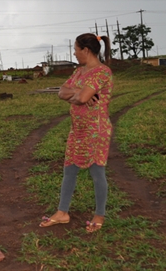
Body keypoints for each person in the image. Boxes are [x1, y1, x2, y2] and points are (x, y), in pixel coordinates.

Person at [39, 33, 113, 233]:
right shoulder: (79, 72)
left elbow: (82, 97)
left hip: (96, 130)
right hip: (78, 129)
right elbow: (62, 92)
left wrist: (78, 95)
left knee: (97, 172)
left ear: (86, 50)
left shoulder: (102, 72)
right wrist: (78, 94)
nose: (74, 52)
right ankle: (63, 212)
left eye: (76, 49)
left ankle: (99, 214)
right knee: (69, 169)